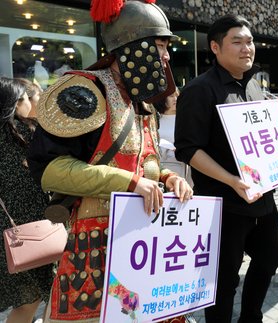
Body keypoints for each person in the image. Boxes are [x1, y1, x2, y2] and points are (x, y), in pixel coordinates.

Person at [27, 1, 193, 322]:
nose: (167, 56)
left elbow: (147, 162)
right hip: (94, 243)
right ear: (132, 47)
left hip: (143, 240)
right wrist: (129, 183)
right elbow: (50, 170)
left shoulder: (141, 100)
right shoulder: (84, 91)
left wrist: (168, 179)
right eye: (160, 45)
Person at [174, 15, 278, 322]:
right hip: (224, 203)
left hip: (263, 199)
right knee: (223, 281)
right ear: (215, 47)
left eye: (249, 41)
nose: (247, 48)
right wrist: (231, 180)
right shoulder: (200, 90)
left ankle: (251, 317)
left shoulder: (256, 87)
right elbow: (188, 149)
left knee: (270, 259)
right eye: (237, 41)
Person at [0, 77, 52, 323]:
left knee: (27, 300)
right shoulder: (26, 131)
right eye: (24, 99)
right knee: (46, 295)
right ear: (14, 103)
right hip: (34, 229)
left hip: (7, 231)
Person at [154, 88, 194, 187]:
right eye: (171, 96)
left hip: (182, 169)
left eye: (177, 95)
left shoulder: (187, 119)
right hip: (160, 168)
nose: (175, 99)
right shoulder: (154, 119)